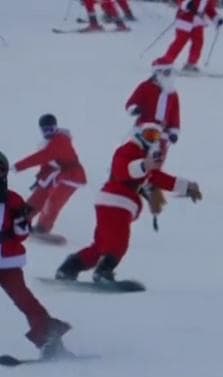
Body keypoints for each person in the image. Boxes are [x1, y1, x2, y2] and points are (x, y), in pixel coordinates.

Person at [55, 124, 203, 284]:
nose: (152, 139)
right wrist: (145, 165)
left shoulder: (144, 157)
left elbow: (158, 178)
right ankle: (103, 272)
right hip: (117, 201)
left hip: (112, 202)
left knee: (101, 245)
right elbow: (123, 170)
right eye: (149, 134)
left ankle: (70, 267)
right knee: (118, 244)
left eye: (156, 137)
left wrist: (187, 187)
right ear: (138, 134)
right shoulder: (128, 150)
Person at [0, 152, 72, 359]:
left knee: (24, 300)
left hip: (7, 262)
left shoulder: (13, 200)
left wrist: (21, 222)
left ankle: (50, 338)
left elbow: (21, 235)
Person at [13, 114, 88, 237]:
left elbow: (45, 156)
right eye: (45, 130)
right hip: (55, 175)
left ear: (56, 127)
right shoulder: (46, 143)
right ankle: (20, 220)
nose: (48, 133)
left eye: (51, 129)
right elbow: (46, 164)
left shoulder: (61, 140)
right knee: (39, 195)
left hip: (72, 176)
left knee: (53, 200)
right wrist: (39, 179)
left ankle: (42, 228)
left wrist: (18, 166)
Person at [151, 0, 223, 74]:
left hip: (198, 21)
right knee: (180, 41)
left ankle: (191, 63)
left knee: (198, 42)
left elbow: (209, 8)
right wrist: (186, 4)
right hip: (185, 19)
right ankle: (166, 62)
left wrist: (217, 18)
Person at [126, 66, 181, 146]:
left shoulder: (172, 94)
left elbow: (174, 114)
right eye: (167, 73)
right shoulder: (146, 86)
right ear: (158, 73)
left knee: (157, 156)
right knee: (134, 151)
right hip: (143, 128)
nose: (169, 76)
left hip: (162, 133)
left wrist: (174, 132)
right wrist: (134, 109)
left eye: (171, 73)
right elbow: (132, 102)